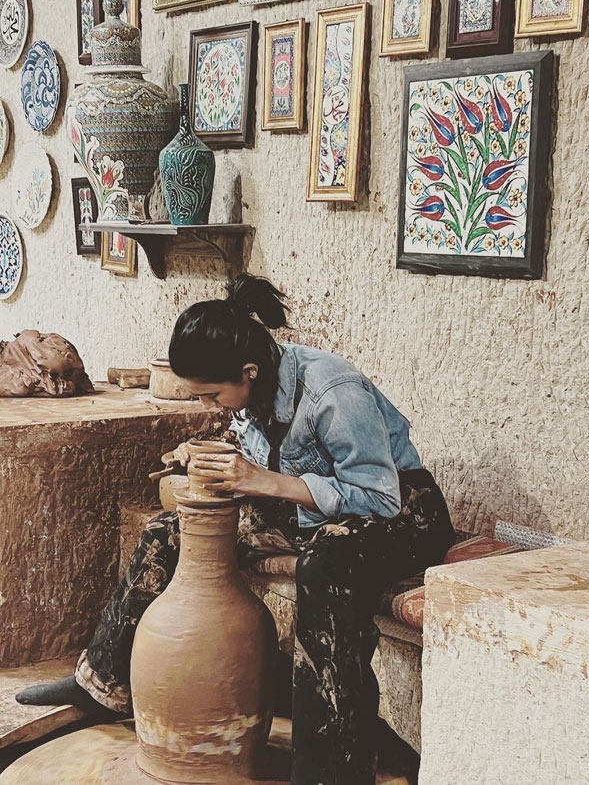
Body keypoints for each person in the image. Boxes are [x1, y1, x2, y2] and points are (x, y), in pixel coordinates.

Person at [17, 274, 456, 785]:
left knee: (325, 565)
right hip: (316, 514)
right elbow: (271, 462)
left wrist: (264, 481)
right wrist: (211, 460)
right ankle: (99, 686)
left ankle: (329, 769)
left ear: (249, 371)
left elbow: (380, 497)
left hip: (404, 518)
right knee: (170, 530)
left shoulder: (333, 390)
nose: (210, 406)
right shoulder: (256, 388)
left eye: (212, 395)